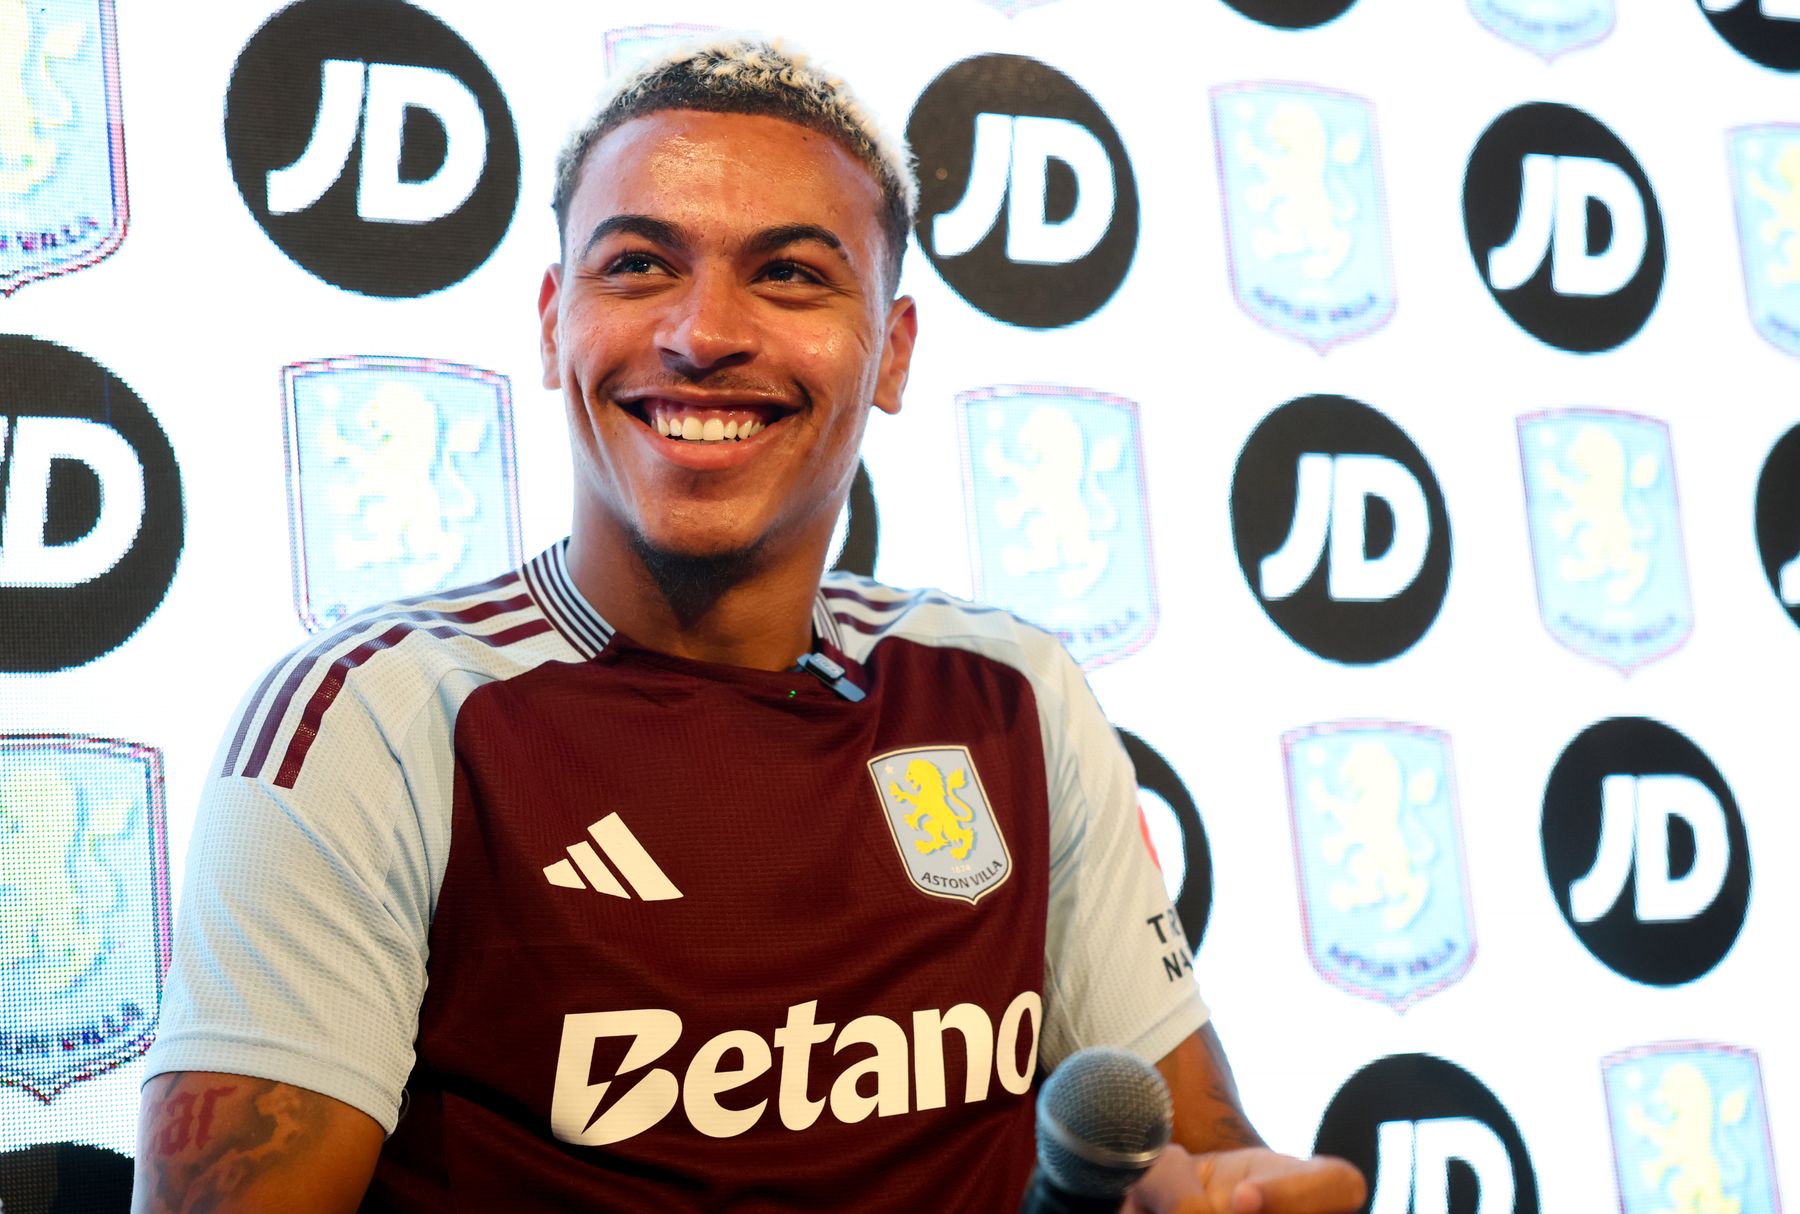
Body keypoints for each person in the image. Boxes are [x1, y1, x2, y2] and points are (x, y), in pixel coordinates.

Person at [134, 39, 1367, 1213]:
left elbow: (1197, 1156)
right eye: (638, 265)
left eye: (788, 272)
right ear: (555, 319)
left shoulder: (1010, 691)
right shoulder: (377, 719)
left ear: (891, 349)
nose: (703, 332)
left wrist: (1223, 1186)